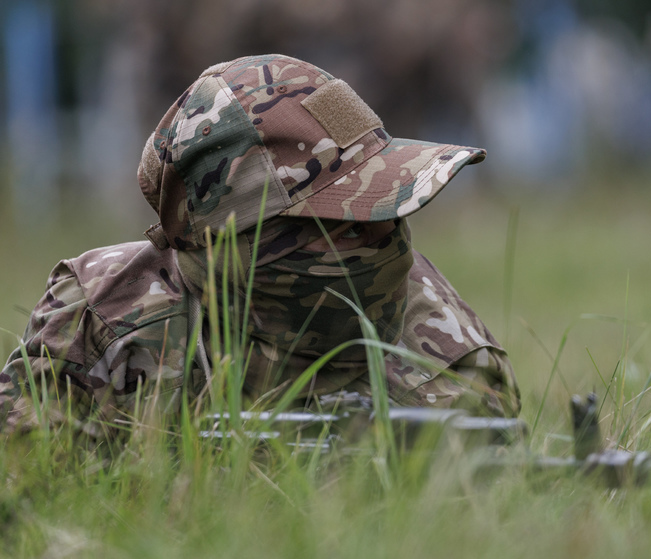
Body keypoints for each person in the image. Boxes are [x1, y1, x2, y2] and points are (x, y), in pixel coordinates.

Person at [0, 54, 520, 441]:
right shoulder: (104, 321)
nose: (384, 233)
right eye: (347, 218)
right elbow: (24, 485)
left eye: (388, 210)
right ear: (238, 237)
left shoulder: (447, 365)